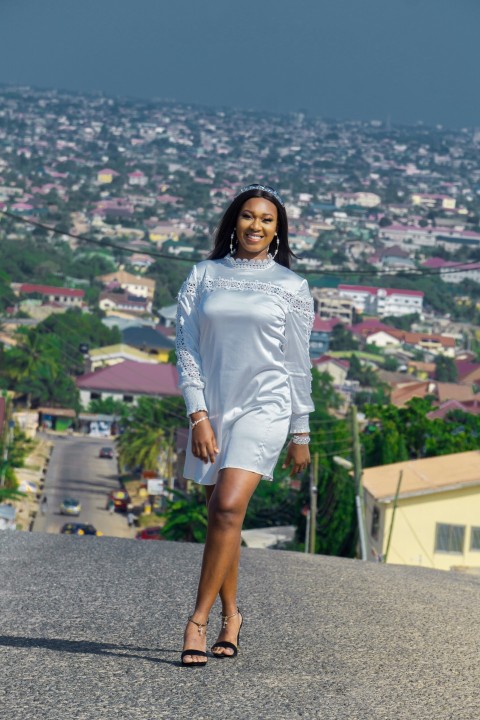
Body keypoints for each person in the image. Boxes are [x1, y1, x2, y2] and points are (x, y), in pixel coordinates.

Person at [176, 184, 314, 667]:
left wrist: (301, 432)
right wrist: (198, 415)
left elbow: (298, 365)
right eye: (249, 216)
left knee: (230, 507)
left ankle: (196, 620)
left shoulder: (292, 287)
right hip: (212, 409)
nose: (257, 226)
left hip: (266, 406)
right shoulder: (203, 276)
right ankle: (232, 616)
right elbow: (187, 348)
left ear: (278, 230)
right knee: (219, 516)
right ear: (234, 221)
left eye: (267, 220)